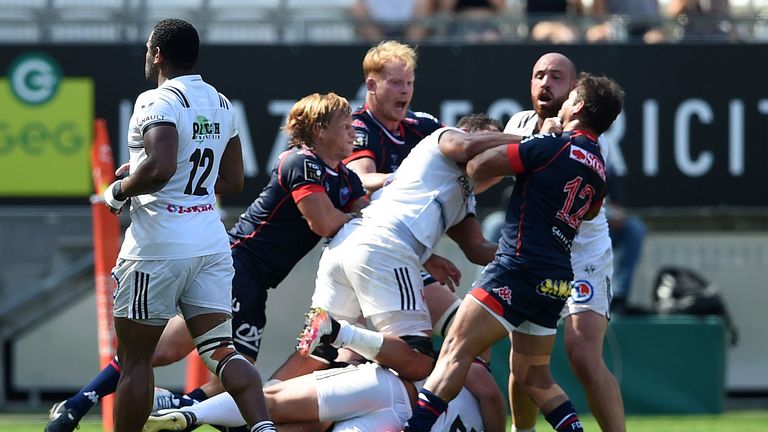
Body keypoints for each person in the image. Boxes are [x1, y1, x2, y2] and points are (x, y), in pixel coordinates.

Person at [44, 91, 368, 432]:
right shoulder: (300, 162)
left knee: (195, 363)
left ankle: (149, 406)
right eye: (346, 126)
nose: (353, 133)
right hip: (238, 265)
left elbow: (365, 208)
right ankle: (86, 404)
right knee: (215, 367)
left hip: (256, 282)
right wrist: (359, 215)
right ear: (319, 131)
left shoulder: (346, 177)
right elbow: (325, 222)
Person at [47, 18, 277, 432]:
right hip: (209, 241)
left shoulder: (157, 100)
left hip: (158, 245)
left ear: (158, 55)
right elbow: (233, 180)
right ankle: (264, 428)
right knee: (222, 350)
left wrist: (119, 189)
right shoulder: (221, 102)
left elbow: (160, 166)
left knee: (135, 360)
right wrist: (148, 173)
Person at [404, 72, 624, 432]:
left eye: (570, 97)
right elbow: (591, 212)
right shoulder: (598, 169)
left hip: (518, 268)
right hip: (557, 280)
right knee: (533, 376)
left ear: (578, 106)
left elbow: (477, 167)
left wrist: (532, 143)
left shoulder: (551, 146)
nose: (563, 100)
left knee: (456, 349)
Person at [144, 278, 500, 432]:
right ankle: (188, 412)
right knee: (304, 423)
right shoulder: (478, 387)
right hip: (395, 413)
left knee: (272, 400)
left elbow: (484, 387)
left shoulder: (467, 369)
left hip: (391, 392)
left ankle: (189, 413)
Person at [503, 53, 626, 432]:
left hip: (581, 253)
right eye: (538, 75)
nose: (545, 83)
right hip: (538, 252)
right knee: (523, 360)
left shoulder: (584, 137)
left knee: (584, 356)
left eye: (556, 77)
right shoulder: (519, 123)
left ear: (575, 93)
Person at [344, 40, 443, 193]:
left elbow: (461, 142)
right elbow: (362, 178)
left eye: (409, 83)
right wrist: (409, 179)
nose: (405, 90)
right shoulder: (357, 128)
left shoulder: (421, 124)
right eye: (396, 83)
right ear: (371, 86)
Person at [349, 0, 435, 42]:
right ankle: (381, 57)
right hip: (377, 28)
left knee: (424, 6)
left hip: (408, 26)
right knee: (359, 10)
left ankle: (410, 57)